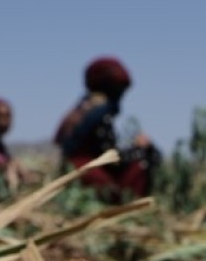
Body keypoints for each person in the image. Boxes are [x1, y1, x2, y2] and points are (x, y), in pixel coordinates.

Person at [54, 56, 161, 201]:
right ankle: (130, 203)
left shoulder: (81, 109)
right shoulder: (100, 111)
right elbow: (107, 155)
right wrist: (139, 148)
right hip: (90, 176)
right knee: (145, 157)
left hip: (77, 172)